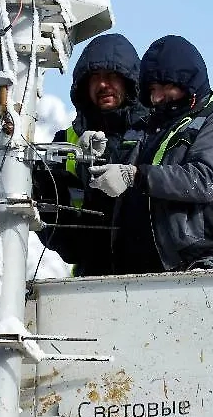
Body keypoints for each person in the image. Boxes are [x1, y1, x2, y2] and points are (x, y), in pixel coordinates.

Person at [87, 34, 213, 272]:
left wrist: (135, 176)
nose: (157, 97)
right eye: (152, 88)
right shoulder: (144, 131)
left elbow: (205, 180)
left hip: (205, 261)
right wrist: (98, 155)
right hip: (137, 272)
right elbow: (114, 187)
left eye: (166, 86)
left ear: (188, 84)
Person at [33, 32, 149, 276]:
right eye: (95, 77)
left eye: (111, 76)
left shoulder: (154, 135)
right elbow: (64, 241)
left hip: (151, 278)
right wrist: (43, 191)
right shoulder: (65, 143)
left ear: (129, 81)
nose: (103, 84)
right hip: (90, 282)